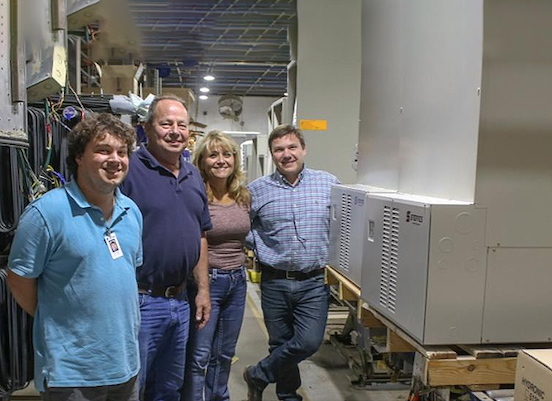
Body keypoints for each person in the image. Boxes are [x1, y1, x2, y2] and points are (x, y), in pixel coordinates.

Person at [7, 113, 142, 400]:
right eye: (103, 150)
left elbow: (128, 275)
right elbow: (19, 280)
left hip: (126, 365)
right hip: (71, 372)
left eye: (122, 152)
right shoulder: (47, 213)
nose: (115, 159)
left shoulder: (131, 212)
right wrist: (58, 316)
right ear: (79, 156)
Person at [120, 94, 212, 401]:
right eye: (166, 123)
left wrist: (202, 290)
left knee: (169, 388)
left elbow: (200, 233)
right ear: (147, 128)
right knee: (134, 386)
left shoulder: (193, 174)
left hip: (181, 301)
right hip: (141, 300)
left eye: (181, 125)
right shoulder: (129, 170)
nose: (175, 131)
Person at [243, 124, 339, 401]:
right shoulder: (257, 190)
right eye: (279, 149)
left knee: (308, 342)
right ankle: (288, 396)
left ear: (304, 149)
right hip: (274, 280)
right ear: (272, 155)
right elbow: (243, 226)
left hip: (313, 281)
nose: (286, 154)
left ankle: (258, 374)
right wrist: (261, 246)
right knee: (280, 343)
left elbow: (345, 221)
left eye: (292, 147)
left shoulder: (329, 183)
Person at [182, 131, 251, 401]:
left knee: (224, 354)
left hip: (238, 281)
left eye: (227, 154)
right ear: (201, 161)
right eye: (213, 155)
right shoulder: (196, 195)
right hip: (205, 282)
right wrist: (202, 288)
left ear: (235, 159)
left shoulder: (243, 196)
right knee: (199, 356)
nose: (221, 160)